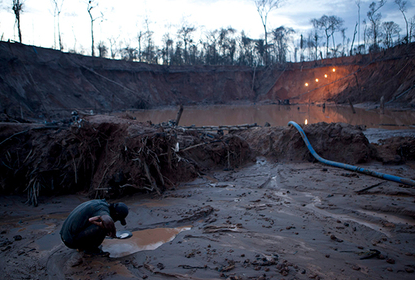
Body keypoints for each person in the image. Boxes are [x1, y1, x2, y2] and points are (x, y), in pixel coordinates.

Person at [60, 199, 129, 255]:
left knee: (100, 224)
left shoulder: (101, 203)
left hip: (65, 235)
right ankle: (90, 250)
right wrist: (112, 231)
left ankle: (83, 246)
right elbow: (107, 220)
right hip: (70, 240)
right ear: (115, 214)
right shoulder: (103, 210)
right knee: (103, 226)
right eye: (117, 219)